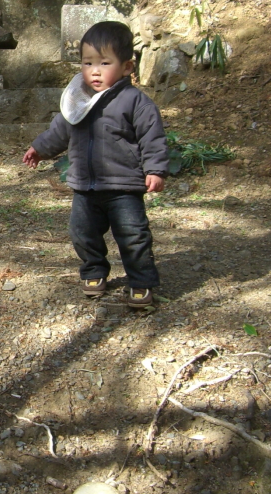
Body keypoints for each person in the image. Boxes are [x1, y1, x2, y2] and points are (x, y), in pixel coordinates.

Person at [22, 20, 168, 307]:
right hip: (85, 186)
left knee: (133, 235)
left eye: (104, 62)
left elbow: (152, 137)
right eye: (88, 63)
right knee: (82, 233)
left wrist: (155, 169)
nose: (95, 70)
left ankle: (141, 281)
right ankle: (94, 271)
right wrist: (40, 148)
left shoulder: (135, 102)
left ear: (127, 67)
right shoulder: (79, 99)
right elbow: (60, 130)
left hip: (123, 186)